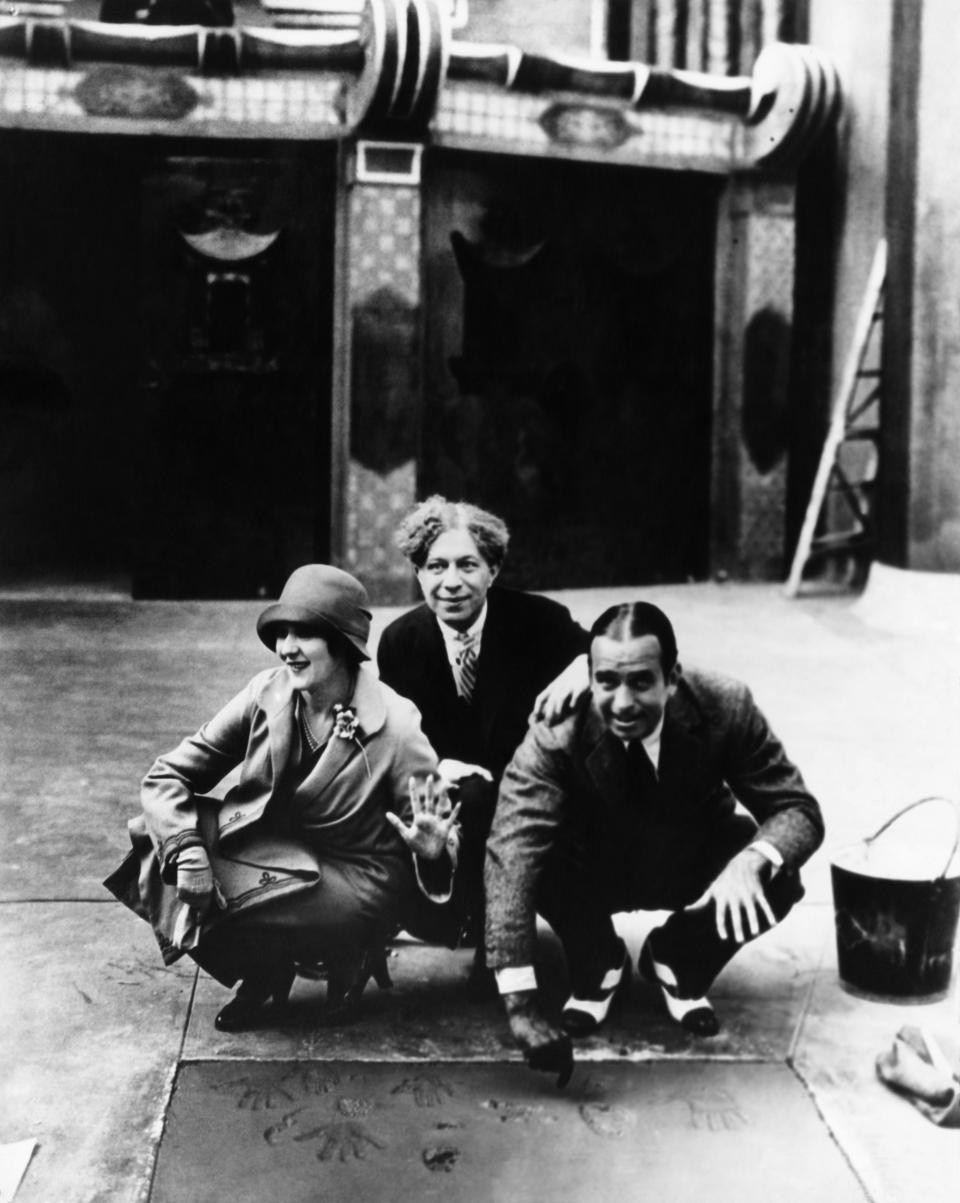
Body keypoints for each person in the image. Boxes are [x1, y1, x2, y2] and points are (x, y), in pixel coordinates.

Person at [105, 564, 460, 1032]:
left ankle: (349, 947)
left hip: (358, 875)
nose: (286, 648)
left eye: (305, 633)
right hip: (277, 850)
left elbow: (436, 835)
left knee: (230, 900)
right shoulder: (265, 693)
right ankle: (266, 971)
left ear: (342, 641)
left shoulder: (396, 724)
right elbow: (167, 776)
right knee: (156, 846)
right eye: (281, 632)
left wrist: (434, 852)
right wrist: (188, 851)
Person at [484, 600, 825, 1085]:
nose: (622, 703)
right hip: (593, 868)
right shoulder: (556, 730)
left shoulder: (725, 705)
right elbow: (510, 853)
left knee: (779, 872)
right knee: (535, 860)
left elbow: (797, 809)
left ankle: (679, 957)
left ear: (673, 678)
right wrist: (519, 1005)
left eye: (641, 682)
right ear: (589, 675)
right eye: (607, 682)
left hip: (687, 858)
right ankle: (597, 960)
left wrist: (752, 860)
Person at [376, 495, 591, 988]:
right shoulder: (401, 641)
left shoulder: (537, 622)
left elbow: (609, 639)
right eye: (435, 566)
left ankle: (525, 941)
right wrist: (444, 768)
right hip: (451, 786)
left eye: (467, 565)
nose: (451, 582)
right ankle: (474, 924)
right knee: (460, 803)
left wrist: (585, 664)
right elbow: (405, 732)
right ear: (418, 572)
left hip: (531, 788)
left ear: (493, 569)